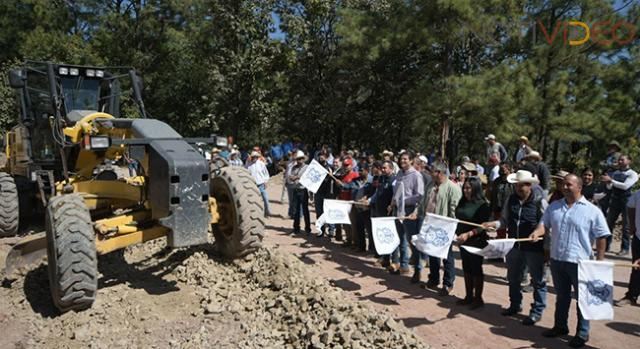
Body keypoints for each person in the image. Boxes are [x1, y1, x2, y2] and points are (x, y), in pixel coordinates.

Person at [529, 174, 610, 348]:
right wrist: (537, 232)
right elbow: (544, 224)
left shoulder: (592, 210)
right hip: (557, 260)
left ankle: (582, 333)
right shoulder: (554, 207)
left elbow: (602, 235)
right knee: (562, 297)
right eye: (562, 184)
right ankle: (560, 326)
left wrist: (600, 260)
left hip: (580, 263)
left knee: (583, 300)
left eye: (568, 184)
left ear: (579, 187)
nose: (564, 187)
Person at [482, 170, 547, 325]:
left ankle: (537, 311)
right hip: (514, 245)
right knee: (513, 278)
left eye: (522, 185)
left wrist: (541, 238)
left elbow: (546, 223)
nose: (519, 188)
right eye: (516, 185)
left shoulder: (540, 201)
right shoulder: (510, 200)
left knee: (538, 280)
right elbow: (504, 221)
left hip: (534, 248)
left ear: (529, 185)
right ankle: (515, 304)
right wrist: (493, 224)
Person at [411, 162, 462, 295]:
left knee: (446, 255)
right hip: (430, 224)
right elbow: (423, 202)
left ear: (439, 173)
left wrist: (452, 228)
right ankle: (434, 278)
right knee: (432, 252)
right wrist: (417, 212)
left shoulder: (453, 188)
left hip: (445, 227)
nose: (430, 173)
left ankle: (448, 283)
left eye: (432, 171)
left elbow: (454, 209)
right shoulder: (430, 185)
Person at [454, 177, 491, 309]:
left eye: (469, 188)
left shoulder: (482, 205)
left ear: (475, 189)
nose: (466, 190)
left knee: (476, 268)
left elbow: (483, 226)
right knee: (466, 268)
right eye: (464, 188)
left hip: (476, 241)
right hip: (463, 240)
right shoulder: (463, 202)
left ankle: (478, 298)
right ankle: (468, 295)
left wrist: (469, 234)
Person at [388, 151, 424, 277]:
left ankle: (418, 269)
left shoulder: (416, 175)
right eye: (401, 159)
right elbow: (396, 191)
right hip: (398, 210)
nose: (402, 161)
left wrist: (404, 200)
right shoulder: (399, 174)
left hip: (409, 211)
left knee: (411, 240)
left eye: (405, 159)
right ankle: (403, 265)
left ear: (411, 160)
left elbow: (419, 195)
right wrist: (392, 203)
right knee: (399, 238)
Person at [602, 154, 638, 255]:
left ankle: (625, 248)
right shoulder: (615, 173)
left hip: (626, 200)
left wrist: (611, 181)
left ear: (629, 161)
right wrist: (607, 183)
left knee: (626, 225)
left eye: (622, 160)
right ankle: (606, 246)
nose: (620, 161)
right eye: (619, 160)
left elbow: (626, 186)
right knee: (609, 223)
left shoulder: (632, 174)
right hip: (615, 200)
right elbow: (610, 188)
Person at [615, 188, 640, 306]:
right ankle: (631, 296)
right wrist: (632, 224)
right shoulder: (638, 193)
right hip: (639, 237)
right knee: (636, 268)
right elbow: (630, 207)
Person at [369, 160, 396, 267]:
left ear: (391, 169)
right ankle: (384, 258)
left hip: (389, 212)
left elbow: (395, 196)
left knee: (390, 235)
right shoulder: (381, 178)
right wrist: (370, 200)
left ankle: (394, 260)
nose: (383, 170)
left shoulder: (394, 180)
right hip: (379, 210)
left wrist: (392, 205)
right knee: (381, 235)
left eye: (385, 168)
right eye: (382, 168)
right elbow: (377, 193)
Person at [332, 157, 360, 243]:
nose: (345, 167)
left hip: (351, 202)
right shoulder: (343, 175)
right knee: (345, 223)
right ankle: (348, 239)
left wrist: (343, 184)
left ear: (351, 166)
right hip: (342, 201)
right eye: (344, 165)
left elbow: (355, 187)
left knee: (353, 223)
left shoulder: (355, 175)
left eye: (347, 165)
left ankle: (355, 242)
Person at [287, 150, 311, 234]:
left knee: (305, 210)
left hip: (303, 190)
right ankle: (296, 228)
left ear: (303, 159)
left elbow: (306, 177)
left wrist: (296, 177)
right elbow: (290, 176)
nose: (299, 160)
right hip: (296, 189)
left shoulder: (307, 167)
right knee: (296, 210)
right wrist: (292, 178)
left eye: (301, 159)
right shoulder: (294, 167)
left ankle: (308, 228)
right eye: (298, 159)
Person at [490, 162, 514, 239]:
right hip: (498, 208)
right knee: (500, 230)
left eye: (503, 169)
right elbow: (493, 195)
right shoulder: (496, 181)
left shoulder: (513, 182)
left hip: (510, 209)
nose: (501, 171)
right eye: (500, 169)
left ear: (509, 169)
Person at [314, 151, 334, 237]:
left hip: (328, 193)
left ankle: (331, 229)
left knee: (328, 212)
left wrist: (330, 175)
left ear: (326, 157)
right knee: (319, 212)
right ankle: (320, 230)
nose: (321, 158)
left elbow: (334, 179)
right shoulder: (315, 167)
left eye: (322, 156)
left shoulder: (330, 168)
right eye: (320, 157)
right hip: (318, 192)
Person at [246, 150, 271, 217]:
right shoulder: (248, 164)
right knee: (253, 200)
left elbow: (266, 173)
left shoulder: (261, 163)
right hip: (252, 185)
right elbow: (245, 172)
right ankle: (254, 214)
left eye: (256, 157)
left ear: (257, 157)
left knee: (265, 199)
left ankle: (267, 212)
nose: (254, 158)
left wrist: (265, 181)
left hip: (261, 184)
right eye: (253, 157)